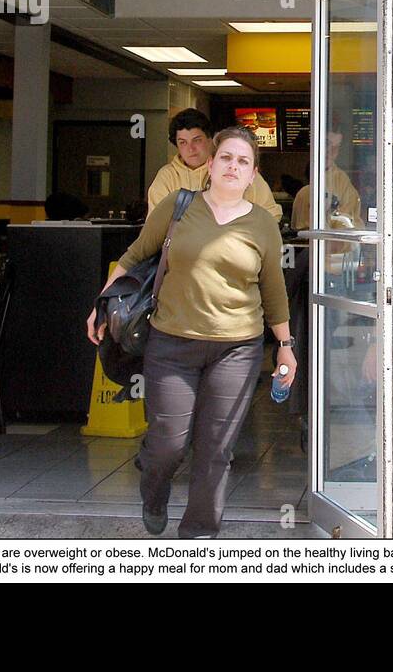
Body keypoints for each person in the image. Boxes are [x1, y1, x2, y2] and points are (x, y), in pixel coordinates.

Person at [88, 126, 295, 538]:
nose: (233, 167)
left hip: (237, 349)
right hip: (171, 343)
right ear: (211, 165)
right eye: (226, 158)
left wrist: (285, 347)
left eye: (243, 161)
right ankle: (154, 491)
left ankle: (199, 533)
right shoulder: (178, 206)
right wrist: (101, 305)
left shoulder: (262, 225)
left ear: (253, 174)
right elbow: (134, 255)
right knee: (167, 443)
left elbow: (273, 290)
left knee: (216, 448)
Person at [148, 108, 281, 220]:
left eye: (197, 140)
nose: (190, 148)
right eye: (183, 142)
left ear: (210, 139)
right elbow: (157, 224)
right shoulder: (167, 177)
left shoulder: (237, 170)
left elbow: (271, 215)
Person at [292, 128, 362, 231]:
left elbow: (348, 224)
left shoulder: (342, 181)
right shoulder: (305, 191)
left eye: (336, 147)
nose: (331, 151)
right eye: (326, 144)